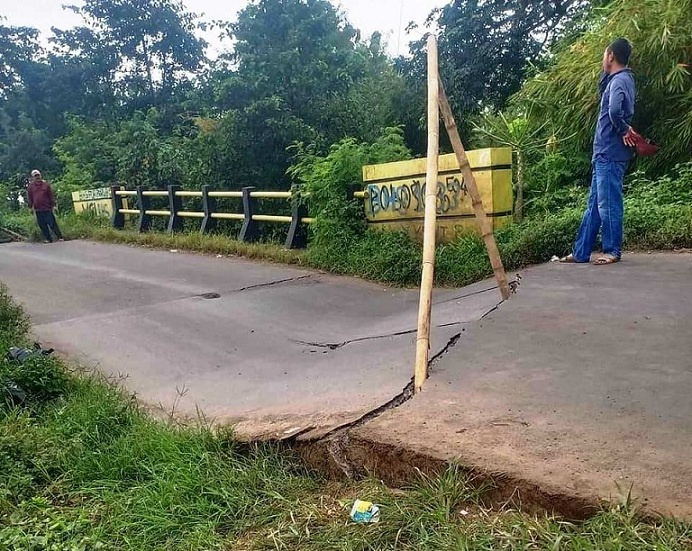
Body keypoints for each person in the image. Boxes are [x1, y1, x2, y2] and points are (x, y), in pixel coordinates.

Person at [561, 38, 637, 265]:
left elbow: (615, 110)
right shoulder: (617, 80)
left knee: (609, 203)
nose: (603, 59)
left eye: (605, 55)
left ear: (611, 56)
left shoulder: (621, 80)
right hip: (604, 153)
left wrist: (623, 129)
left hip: (610, 153)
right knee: (594, 205)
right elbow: (605, 91)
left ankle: (612, 251)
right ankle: (581, 251)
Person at [27, 169, 64, 243]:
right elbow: (30, 198)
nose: (37, 177)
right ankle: (48, 239)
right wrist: (30, 208)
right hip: (38, 209)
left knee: (52, 223)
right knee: (42, 225)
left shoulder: (46, 185)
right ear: (33, 177)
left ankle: (60, 237)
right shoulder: (31, 187)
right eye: (35, 176)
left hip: (47, 208)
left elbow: (51, 196)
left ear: (40, 175)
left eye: (38, 175)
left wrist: (54, 205)